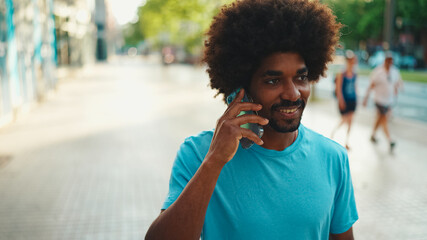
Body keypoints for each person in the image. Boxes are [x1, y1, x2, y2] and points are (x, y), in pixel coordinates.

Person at [145, 0, 358, 239]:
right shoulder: (198, 154)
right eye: (273, 80)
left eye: (301, 77)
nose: (293, 93)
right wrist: (214, 161)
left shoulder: (333, 158)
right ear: (241, 88)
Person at [363, 52, 403, 153]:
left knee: (380, 118)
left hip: (389, 101)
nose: (390, 63)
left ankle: (372, 135)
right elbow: (371, 85)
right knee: (384, 119)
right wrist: (366, 98)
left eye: (391, 61)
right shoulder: (378, 71)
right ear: (385, 61)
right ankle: (390, 140)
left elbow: (397, 82)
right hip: (379, 100)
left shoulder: (395, 71)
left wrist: (398, 88)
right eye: (388, 61)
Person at [331, 50, 358, 150]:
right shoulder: (341, 73)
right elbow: (338, 90)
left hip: (352, 100)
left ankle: (346, 141)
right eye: (351, 60)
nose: (352, 62)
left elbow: (355, 87)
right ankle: (333, 134)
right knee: (344, 120)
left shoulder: (354, 74)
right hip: (344, 100)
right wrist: (340, 101)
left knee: (350, 121)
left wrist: (357, 98)